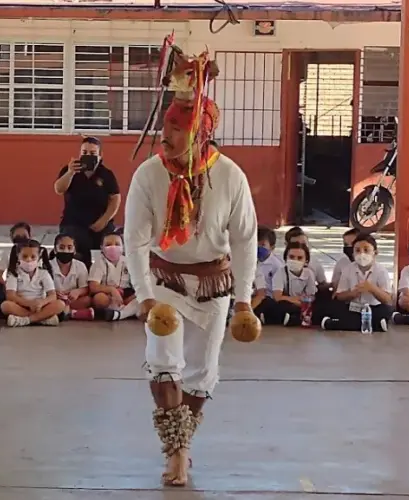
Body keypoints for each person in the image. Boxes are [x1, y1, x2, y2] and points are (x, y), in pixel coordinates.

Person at [123, 43, 258, 486]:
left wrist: (243, 301)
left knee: (202, 374)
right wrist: (143, 295)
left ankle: (185, 441)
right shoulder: (149, 174)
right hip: (163, 282)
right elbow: (135, 240)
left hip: (212, 285)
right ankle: (176, 452)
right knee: (164, 363)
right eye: (166, 127)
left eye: (177, 130)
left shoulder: (231, 176)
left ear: (200, 131)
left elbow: (244, 240)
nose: (167, 137)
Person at [54, 136, 121, 268]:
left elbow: (115, 198)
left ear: (100, 155)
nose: (88, 156)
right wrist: (70, 173)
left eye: (92, 153)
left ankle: (108, 275)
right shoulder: (70, 170)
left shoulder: (106, 174)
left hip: (101, 222)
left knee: (113, 243)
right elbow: (58, 189)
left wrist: (104, 220)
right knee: (74, 244)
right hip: (73, 223)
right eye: (84, 153)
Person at [321, 233, 392, 332]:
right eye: (357, 250)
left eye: (366, 250)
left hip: (373, 309)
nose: (361, 254)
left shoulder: (381, 271)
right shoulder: (348, 269)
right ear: (353, 254)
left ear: (375, 253)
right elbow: (339, 295)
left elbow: (388, 299)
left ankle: (335, 324)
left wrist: (372, 289)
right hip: (353, 308)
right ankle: (375, 325)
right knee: (334, 306)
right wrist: (352, 294)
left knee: (387, 310)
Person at [1, 239, 65, 327]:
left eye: (33, 257)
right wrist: (28, 304)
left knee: (60, 304)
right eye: (24, 256)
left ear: (39, 256)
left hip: (40, 307)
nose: (28, 260)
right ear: (18, 256)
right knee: (6, 306)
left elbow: (52, 295)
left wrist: (41, 303)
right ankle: (42, 319)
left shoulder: (43, 273)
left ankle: (26, 320)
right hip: (21, 306)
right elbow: (10, 296)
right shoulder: (13, 273)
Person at [89, 232, 137, 321]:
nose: (113, 247)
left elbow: (137, 284)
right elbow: (93, 286)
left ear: (123, 247)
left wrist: (133, 296)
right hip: (108, 295)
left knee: (140, 296)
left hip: (126, 294)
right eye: (108, 245)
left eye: (117, 244)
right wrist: (112, 290)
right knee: (99, 299)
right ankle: (126, 311)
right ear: (101, 248)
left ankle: (118, 313)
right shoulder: (98, 263)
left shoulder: (129, 262)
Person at [267, 242, 317, 326]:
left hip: (304, 305)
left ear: (306, 261)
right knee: (275, 305)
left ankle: (295, 318)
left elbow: (311, 296)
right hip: (288, 303)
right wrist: (295, 300)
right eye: (291, 257)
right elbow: (277, 297)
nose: (295, 260)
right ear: (285, 258)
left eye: (300, 258)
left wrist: (303, 303)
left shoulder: (309, 273)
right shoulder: (280, 273)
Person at [50, 233, 93, 320]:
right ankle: (71, 313)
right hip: (54, 300)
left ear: (74, 251)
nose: (66, 251)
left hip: (72, 300)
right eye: (61, 247)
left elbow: (85, 288)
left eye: (69, 248)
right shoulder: (47, 265)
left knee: (87, 300)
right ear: (55, 250)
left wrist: (77, 292)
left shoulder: (80, 266)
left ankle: (60, 313)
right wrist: (53, 292)